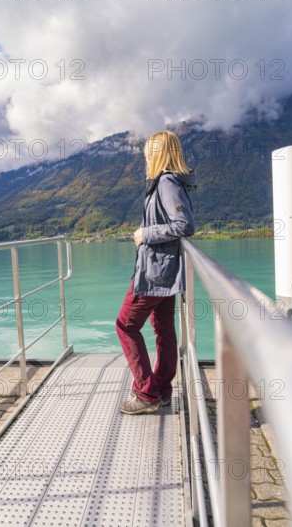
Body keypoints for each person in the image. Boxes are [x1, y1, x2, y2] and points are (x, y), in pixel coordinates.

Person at [116, 130, 196, 415]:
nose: (146, 158)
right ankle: (161, 391)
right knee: (163, 329)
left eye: (148, 153)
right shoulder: (168, 182)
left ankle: (146, 393)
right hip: (165, 270)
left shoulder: (166, 182)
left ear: (159, 154)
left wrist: (144, 233)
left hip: (155, 272)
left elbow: (184, 225)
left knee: (125, 325)